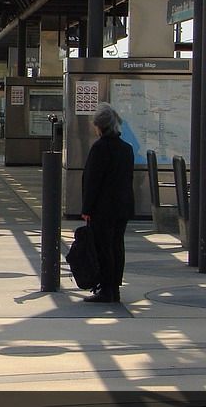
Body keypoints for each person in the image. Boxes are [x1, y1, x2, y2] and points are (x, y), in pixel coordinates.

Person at [81, 102, 135, 303]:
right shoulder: (126, 149)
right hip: (122, 207)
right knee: (117, 245)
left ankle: (106, 289)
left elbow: (92, 181)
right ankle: (115, 288)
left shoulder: (100, 148)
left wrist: (87, 208)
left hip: (102, 208)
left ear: (99, 126)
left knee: (103, 247)